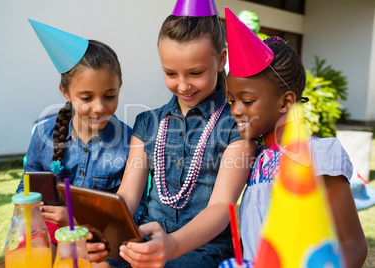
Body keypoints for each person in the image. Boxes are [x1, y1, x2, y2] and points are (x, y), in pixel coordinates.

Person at [88, 1, 256, 267]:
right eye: (170, 73)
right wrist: (100, 229)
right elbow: (128, 197)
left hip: (204, 249)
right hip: (145, 239)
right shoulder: (148, 123)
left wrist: (174, 245)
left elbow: (221, 207)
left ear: (222, 59)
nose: (183, 85)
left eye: (196, 73)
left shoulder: (238, 124)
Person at [224, 8, 368, 268]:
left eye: (246, 101)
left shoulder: (318, 156)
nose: (235, 110)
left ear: (286, 102)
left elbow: (354, 243)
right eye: (231, 100)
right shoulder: (253, 162)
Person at [16, 19, 138, 262]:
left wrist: (75, 221)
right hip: (51, 236)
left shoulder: (130, 143)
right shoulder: (43, 135)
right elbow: (27, 186)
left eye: (109, 95)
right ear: (65, 92)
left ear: (120, 86)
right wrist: (32, 209)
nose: (99, 107)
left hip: (102, 245)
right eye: (86, 97)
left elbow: (131, 216)